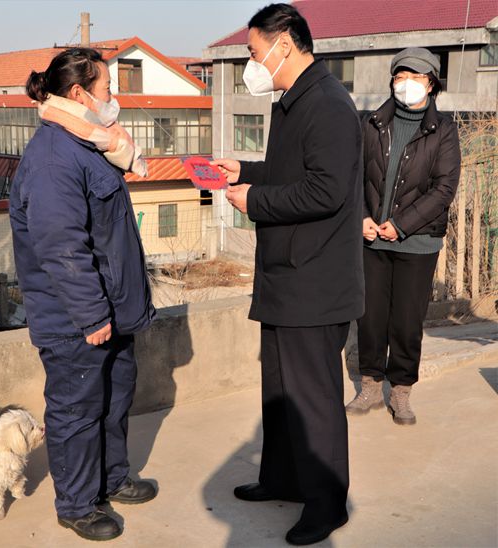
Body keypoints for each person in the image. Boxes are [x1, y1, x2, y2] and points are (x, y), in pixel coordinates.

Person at [212, 4, 364, 545]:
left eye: (254, 52)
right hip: (285, 274)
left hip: (314, 280)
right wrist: (246, 171)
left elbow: (326, 190)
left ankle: (326, 504)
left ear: (284, 44)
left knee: (313, 398)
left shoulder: (328, 104)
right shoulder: (292, 101)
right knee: (279, 391)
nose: (251, 64)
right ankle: (281, 479)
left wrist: (254, 200)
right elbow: (289, 171)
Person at [9, 47, 156, 542]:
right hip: (77, 320)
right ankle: (76, 504)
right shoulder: (54, 158)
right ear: (79, 93)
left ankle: (111, 479)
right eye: (107, 89)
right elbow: (62, 247)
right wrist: (93, 316)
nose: (113, 97)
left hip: (113, 310)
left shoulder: (88, 142)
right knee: (76, 412)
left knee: (113, 401)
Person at [346, 48, 461, 425]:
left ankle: (401, 390)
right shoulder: (372, 123)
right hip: (371, 239)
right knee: (370, 317)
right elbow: (353, 175)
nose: (406, 83)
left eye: (416, 77)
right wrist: (362, 217)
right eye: (400, 76)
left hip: (418, 242)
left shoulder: (444, 130)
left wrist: (401, 224)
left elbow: (444, 189)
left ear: (432, 84)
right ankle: (369, 384)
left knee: (407, 321)